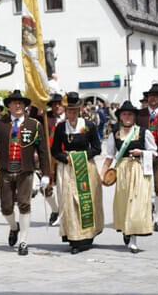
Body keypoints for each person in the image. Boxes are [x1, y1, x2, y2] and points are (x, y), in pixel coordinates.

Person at [0, 90, 50, 256]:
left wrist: (46, 174)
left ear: (25, 106)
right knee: (6, 207)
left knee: (24, 204)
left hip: (26, 171)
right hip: (5, 170)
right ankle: (14, 227)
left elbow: (43, 151)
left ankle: (23, 241)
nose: (18, 105)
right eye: (14, 103)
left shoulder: (34, 125)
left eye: (21, 103)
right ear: (8, 106)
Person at [51, 92, 103, 254]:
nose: (71, 114)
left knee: (86, 201)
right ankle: (74, 237)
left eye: (74, 111)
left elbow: (96, 148)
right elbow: (54, 150)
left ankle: (87, 237)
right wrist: (66, 158)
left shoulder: (88, 125)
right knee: (69, 202)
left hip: (85, 167)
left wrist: (82, 156)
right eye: (68, 111)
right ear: (65, 111)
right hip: (67, 169)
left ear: (79, 110)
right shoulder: (61, 127)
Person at [101, 101, 156, 253]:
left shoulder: (144, 132)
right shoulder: (115, 134)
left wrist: (142, 152)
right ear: (120, 117)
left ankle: (133, 239)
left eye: (130, 114)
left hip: (138, 170)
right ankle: (127, 230)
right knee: (124, 203)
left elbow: (154, 152)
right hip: (122, 171)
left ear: (134, 117)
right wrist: (103, 173)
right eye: (124, 114)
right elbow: (110, 156)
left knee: (136, 203)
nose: (127, 117)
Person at [136, 83, 158, 232]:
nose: (153, 98)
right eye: (151, 96)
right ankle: (147, 214)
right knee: (145, 186)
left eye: (156, 96)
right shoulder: (140, 115)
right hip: (143, 154)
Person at [45, 93, 64, 226]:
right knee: (45, 187)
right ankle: (55, 210)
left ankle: (64, 213)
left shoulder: (71, 118)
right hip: (49, 157)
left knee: (64, 187)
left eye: (59, 103)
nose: (57, 106)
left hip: (65, 157)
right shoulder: (45, 118)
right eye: (54, 104)